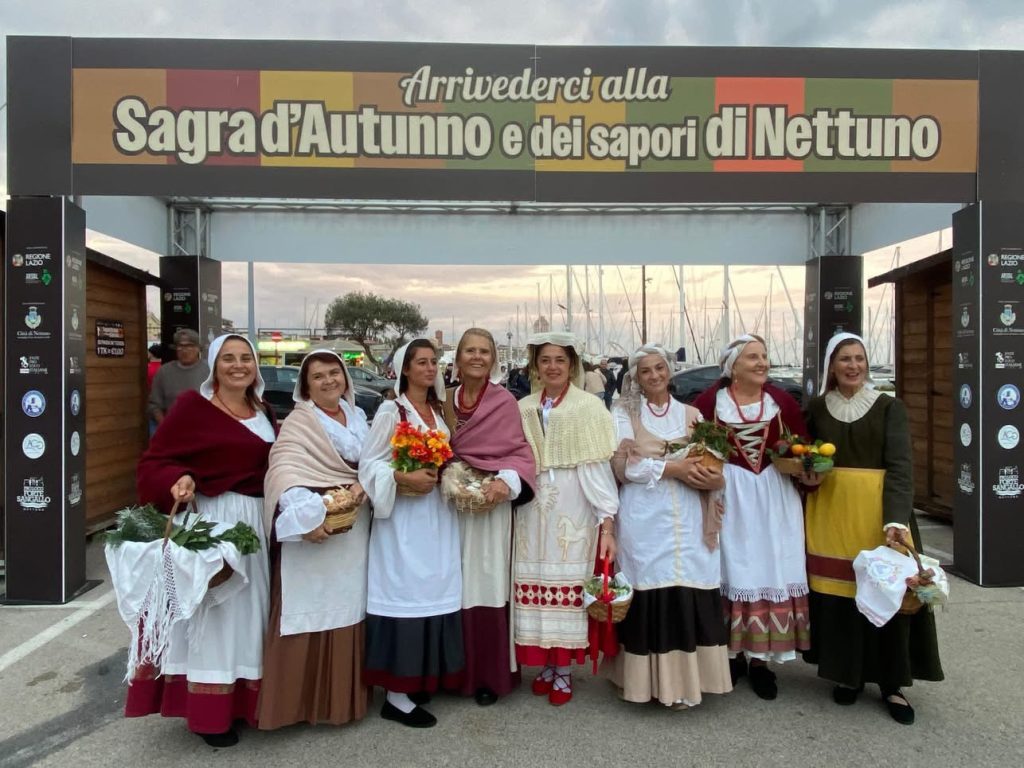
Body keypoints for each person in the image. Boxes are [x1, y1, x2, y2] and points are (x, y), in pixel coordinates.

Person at [130, 334, 276, 747]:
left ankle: (245, 703)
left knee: (251, 617)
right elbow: (154, 461)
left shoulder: (264, 411)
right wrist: (178, 478)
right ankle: (209, 715)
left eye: (246, 358)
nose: (238, 365)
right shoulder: (192, 409)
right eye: (228, 358)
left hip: (256, 526)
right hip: (217, 519)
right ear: (213, 366)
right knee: (216, 615)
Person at [803, 332, 943, 725]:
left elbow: (901, 467)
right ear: (832, 367)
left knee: (888, 591)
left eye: (859, 358)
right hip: (830, 512)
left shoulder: (888, 407)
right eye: (845, 359)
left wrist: (895, 518)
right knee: (841, 596)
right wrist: (807, 477)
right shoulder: (817, 408)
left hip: (879, 514)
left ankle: (891, 683)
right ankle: (847, 674)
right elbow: (806, 458)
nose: (853, 366)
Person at [606, 344, 732, 709]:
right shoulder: (624, 413)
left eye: (659, 368)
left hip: (689, 514)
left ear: (669, 371)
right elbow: (624, 467)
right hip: (645, 516)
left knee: (687, 585)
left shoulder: (692, 414)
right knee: (651, 588)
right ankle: (643, 684)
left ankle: (687, 685)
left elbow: (712, 460)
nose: (655, 375)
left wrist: (711, 476)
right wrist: (674, 468)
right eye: (646, 370)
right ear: (636, 378)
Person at [692, 334, 810, 701]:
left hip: (774, 497)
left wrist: (806, 467)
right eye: (753, 357)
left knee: (770, 566)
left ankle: (760, 660)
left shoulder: (781, 402)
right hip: (731, 495)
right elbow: (691, 447)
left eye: (764, 356)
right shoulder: (710, 402)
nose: (762, 363)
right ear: (733, 367)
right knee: (732, 567)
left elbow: (804, 447)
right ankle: (732, 654)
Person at [259, 350, 372, 730]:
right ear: (305, 386)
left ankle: (341, 702)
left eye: (334, 373)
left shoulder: (357, 416)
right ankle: (295, 704)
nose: (328, 381)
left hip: (354, 524)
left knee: (348, 607)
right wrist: (307, 514)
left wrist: (363, 484)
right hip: (315, 522)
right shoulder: (300, 421)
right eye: (318, 376)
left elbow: (372, 462)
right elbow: (284, 468)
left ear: (345, 377)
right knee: (308, 608)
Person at [358, 338, 463, 728]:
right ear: (405, 369)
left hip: (437, 516)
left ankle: (420, 679)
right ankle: (396, 695)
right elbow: (369, 465)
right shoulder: (392, 410)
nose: (430, 368)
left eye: (434, 362)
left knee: (433, 591)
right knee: (404, 593)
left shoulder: (437, 412)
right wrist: (402, 477)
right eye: (421, 362)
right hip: (403, 519)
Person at [514, 332, 619, 706]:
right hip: (532, 509)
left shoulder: (588, 407)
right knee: (535, 584)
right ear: (535, 366)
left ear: (572, 364)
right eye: (545, 360)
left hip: (573, 503)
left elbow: (597, 468)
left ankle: (563, 669)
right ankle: (545, 663)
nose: (552, 366)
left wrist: (607, 522)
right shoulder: (523, 407)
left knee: (569, 587)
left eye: (560, 359)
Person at [440, 329, 537, 706]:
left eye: (484, 351)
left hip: (489, 507)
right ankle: (449, 672)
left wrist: (504, 483)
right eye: (470, 351)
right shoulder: (443, 401)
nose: (477, 357)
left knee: (486, 585)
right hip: (449, 507)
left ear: (494, 359)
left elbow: (520, 453)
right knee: (450, 585)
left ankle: (486, 676)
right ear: (458, 358)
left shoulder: (504, 402)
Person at [148, 329, 209, 428]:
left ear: (198, 348)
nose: (184, 350)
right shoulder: (164, 372)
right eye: (181, 346)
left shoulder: (209, 370)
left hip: (205, 428)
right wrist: (165, 426)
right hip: (173, 428)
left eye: (189, 346)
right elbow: (154, 405)